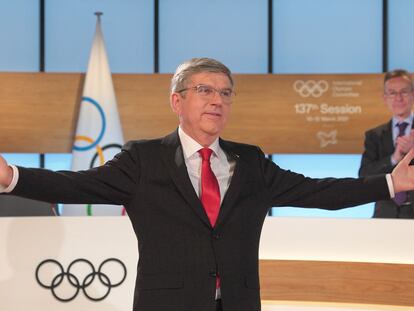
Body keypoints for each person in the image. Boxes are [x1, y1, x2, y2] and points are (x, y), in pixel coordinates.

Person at [1, 58, 414, 311]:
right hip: (168, 305)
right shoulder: (143, 159)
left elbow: (318, 192)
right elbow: (75, 186)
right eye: (204, 90)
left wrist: (389, 183)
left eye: (225, 93)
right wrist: (12, 177)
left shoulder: (250, 160)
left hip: (238, 303)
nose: (217, 99)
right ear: (177, 101)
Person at [359, 69, 414, 218]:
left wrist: (411, 151)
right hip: (384, 215)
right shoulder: (374, 135)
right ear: (385, 98)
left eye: (404, 91)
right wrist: (394, 158)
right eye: (392, 93)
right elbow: (364, 175)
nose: (398, 98)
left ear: (413, 94)